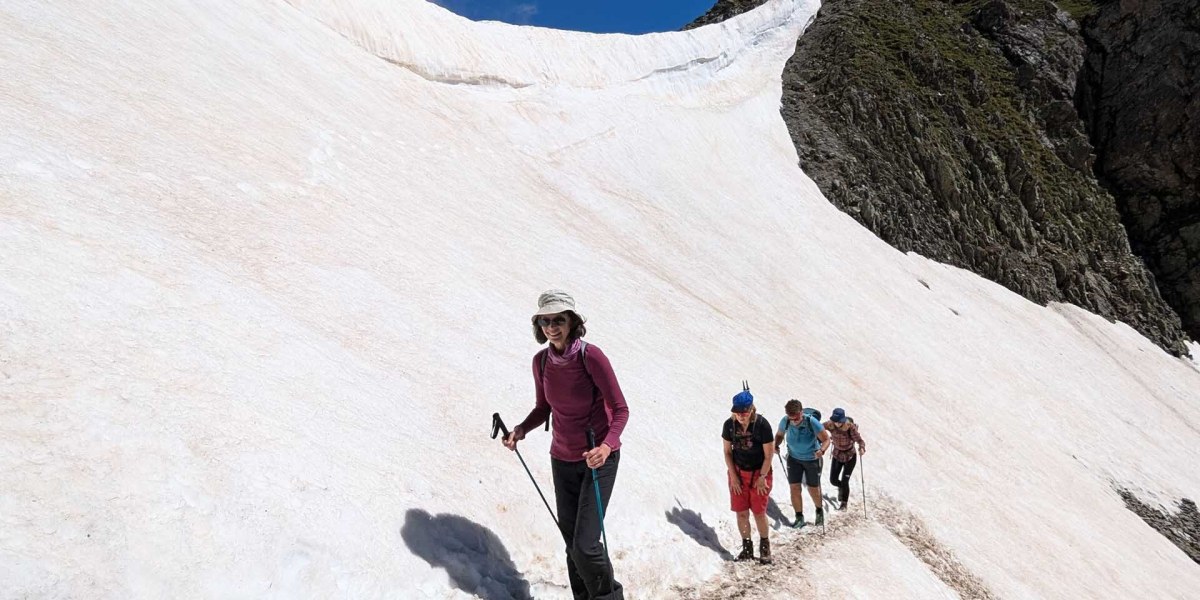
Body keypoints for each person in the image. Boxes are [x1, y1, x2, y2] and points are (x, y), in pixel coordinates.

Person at [503, 290, 630, 600]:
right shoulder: (542, 361)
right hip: (561, 459)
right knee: (572, 545)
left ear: (573, 321)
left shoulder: (591, 356)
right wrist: (521, 429)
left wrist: (607, 446)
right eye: (545, 321)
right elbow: (543, 408)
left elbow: (621, 409)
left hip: (598, 459)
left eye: (558, 319)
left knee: (586, 545)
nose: (552, 327)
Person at [721, 383, 775, 564]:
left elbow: (769, 455)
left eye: (744, 412)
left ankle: (765, 547)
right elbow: (727, 452)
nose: (741, 416)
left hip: (760, 472)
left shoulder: (762, 425)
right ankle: (747, 547)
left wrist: (762, 478)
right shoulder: (729, 425)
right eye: (737, 412)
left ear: (751, 409)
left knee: (759, 512)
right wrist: (734, 477)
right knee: (741, 512)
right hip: (738, 472)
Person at [775, 399, 830, 528]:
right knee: (794, 488)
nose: (794, 421)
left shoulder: (811, 421)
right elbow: (779, 435)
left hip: (812, 460)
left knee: (813, 488)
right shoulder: (786, 421)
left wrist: (822, 450)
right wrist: (776, 444)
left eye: (796, 417)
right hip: (793, 459)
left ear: (801, 412)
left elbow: (826, 439)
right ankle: (799, 517)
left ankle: (819, 510)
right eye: (791, 418)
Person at [824, 407, 866, 511]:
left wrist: (862, 447)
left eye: (839, 422)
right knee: (833, 480)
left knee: (844, 481)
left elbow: (860, 440)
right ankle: (841, 488)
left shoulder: (850, 427)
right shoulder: (830, 424)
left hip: (849, 456)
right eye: (835, 421)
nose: (837, 424)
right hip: (837, 455)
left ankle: (844, 503)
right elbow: (818, 427)